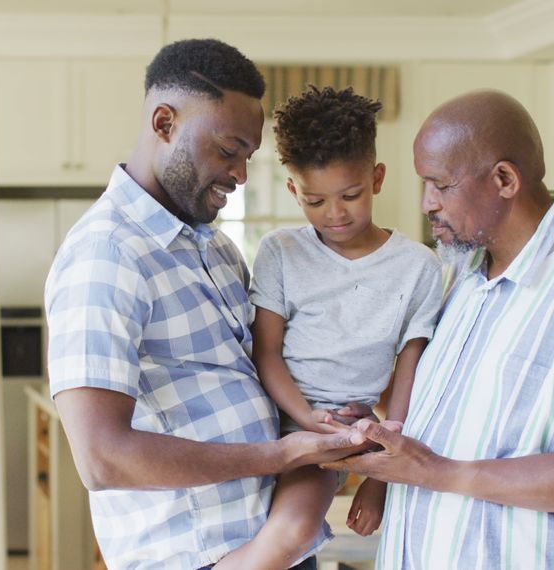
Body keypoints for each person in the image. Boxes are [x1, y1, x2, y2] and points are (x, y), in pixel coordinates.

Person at [44, 39, 367, 570]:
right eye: (228, 149)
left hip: (270, 544)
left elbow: (257, 372)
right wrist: (283, 454)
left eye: (247, 156)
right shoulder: (105, 255)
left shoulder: (214, 247)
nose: (240, 175)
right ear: (165, 123)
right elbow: (102, 458)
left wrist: (322, 419)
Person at [321, 89, 554, 569]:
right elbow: (457, 420)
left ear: (504, 179)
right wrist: (376, 421)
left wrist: (435, 472)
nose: (426, 204)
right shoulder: (459, 275)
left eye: (439, 184)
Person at [214, 86, 442, 570]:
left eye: (350, 195)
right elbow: (267, 353)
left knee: (293, 533)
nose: (335, 214)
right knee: (271, 535)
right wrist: (304, 415)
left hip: (345, 434)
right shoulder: (280, 251)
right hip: (279, 421)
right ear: (293, 190)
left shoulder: (418, 267)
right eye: (315, 200)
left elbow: (408, 373)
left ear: (377, 179)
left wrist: (380, 477)